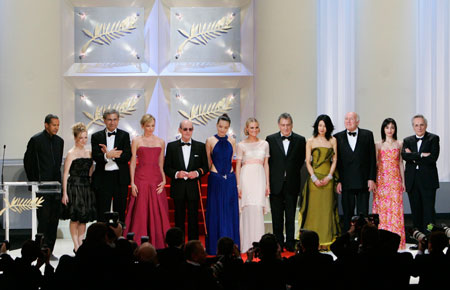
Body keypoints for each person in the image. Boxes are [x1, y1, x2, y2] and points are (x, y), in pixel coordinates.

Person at [124, 114, 170, 248]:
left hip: (156, 179)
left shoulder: (161, 141)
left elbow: (161, 164)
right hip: (141, 178)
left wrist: (163, 179)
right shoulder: (137, 140)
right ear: (142, 126)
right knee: (140, 211)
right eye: (148, 126)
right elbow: (133, 163)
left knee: (158, 210)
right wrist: (132, 183)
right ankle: (138, 243)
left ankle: (158, 242)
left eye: (153, 126)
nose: (151, 129)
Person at [24, 114, 64, 257]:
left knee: (54, 221)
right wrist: (34, 182)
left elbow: (58, 164)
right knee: (43, 220)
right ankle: (40, 250)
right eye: (54, 125)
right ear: (46, 125)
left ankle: (49, 251)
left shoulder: (60, 141)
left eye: (58, 125)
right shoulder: (36, 140)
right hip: (41, 187)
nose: (56, 128)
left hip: (55, 188)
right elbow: (28, 162)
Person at [298, 114, 340, 250]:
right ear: (316, 126)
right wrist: (314, 178)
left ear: (329, 127)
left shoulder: (333, 141)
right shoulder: (310, 141)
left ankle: (326, 242)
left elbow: (335, 161)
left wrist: (329, 177)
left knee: (326, 211)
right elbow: (307, 162)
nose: (322, 128)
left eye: (325, 125)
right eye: (320, 125)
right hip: (314, 180)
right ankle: (311, 244)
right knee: (313, 212)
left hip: (328, 180)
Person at [266, 113, 306, 251]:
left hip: (292, 183)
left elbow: (301, 161)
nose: (286, 128)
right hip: (275, 184)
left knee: (290, 216)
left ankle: (290, 243)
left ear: (292, 125)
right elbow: (269, 161)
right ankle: (278, 243)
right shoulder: (270, 139)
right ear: (279, 125)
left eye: (288, 125)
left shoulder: (301, 140)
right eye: (283, 125)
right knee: (277, 217)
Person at [164, 120, 208, 241]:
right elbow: (166, 167)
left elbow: (206, 167)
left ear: (193, 130)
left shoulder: (200, 146)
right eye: (185, 129)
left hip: (193, 187)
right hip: (178, 187)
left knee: (193, 218)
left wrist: (197, 173)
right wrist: (177, 174)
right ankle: (179, 245)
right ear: (180, 130)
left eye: (190, 129)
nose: (187, 132)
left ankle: (193, 246)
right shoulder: (172, 146)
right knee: (179, 218)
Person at [334, 112, 376, 232]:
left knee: (363, 214)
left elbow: (372, 158)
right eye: (346, 119)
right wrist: (338, 181)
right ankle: (349, 240)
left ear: (357, 121)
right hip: (346, 182)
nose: (348, 121)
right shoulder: (337, 137)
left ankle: (363, 239)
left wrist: (371, 178)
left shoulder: (368, 135)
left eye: (351, 119)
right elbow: (337, 162)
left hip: (363, 181)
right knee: (347, 213)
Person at [205, 114, 240, 255]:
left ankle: (231, 245)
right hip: (215, 178)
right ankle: (215, 246)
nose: (222, 130)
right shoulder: (210, 140)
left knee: (230, 211)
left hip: (230, 179)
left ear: (228, 127)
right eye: (220, 126)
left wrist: (228, 176)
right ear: (216, 125)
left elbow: (231, 159)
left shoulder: (232, 141)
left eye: (225, 127)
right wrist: (216, 175)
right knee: (216, 210)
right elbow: (208, 161)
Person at [235, 117, 270, 253]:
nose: (254, 130)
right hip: (246, 178)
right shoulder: (241, 145)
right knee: (247, 209)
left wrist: (267, 184)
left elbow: (266, 164)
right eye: (251, 128)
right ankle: (246, 245)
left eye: (256, 127)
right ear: (247, 129)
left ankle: (259, 246)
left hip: (260, 178)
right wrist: (239, 185)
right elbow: (238, 166)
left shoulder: (265, 144)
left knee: (257, 209)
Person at [61, 123, 96, 252]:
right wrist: (64, 193)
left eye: (86, 137)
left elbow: (91, 169)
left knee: (84, 218)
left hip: (86, 187)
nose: (84, 140)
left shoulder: (89, 153)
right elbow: (65, 174)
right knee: (75, 217)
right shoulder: (71, 153)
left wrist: (90, 183)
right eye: (81, 138)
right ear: (75, 138)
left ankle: (81, 244)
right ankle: (76, 245)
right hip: (74, 187)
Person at [402, 115, 440, 235]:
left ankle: (429, 237)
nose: (419, 127)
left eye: (421, 124)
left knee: (429, 212)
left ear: (426, 125)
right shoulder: (407, 140)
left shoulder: (433, 138)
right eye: (416, 125)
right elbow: (405, 156)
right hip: (412, 181)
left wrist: (413, 156)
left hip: (428, 181)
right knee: (416, 211)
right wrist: (422, 155)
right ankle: (419, 238)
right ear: (413, 126)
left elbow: (433, 158)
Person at [91, 109, 131, 223]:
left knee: (120, 210)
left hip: (120, 178)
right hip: (102, 178)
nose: (112, 122)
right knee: (102, 211)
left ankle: (119, 238)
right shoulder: (96, 136)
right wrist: (106, 155)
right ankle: (102, 238)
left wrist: (111, 156)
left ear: (118, 120)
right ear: (104, 120)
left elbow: (127, 155)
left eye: (114, 119)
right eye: (109, 119)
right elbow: (95, 156)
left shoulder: (124, 135)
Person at [372, 118, 406, 250]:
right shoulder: (378, 145)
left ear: (395, 129)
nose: (390, 130)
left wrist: (403, 181)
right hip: (381, 181)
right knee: (382, 211)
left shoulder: (399, 143)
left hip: (395, 180)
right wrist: (374, 181)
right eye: (387, 127)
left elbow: (400, 163)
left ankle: (397, 241)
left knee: (395, 210)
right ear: (383, 129)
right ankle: (382, 241)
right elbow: (375, 164)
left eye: (392, 127)